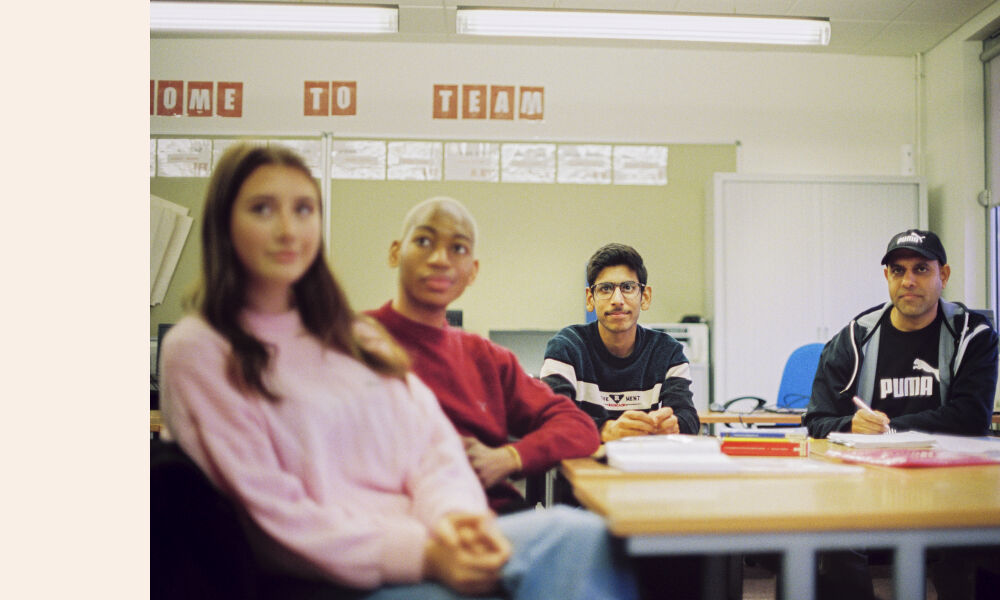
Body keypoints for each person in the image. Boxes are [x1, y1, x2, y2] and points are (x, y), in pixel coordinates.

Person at [159, 143, 636, 600]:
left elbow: (431, 451)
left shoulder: (350, 338)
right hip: (348, 571)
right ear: (224, 223)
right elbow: (271, 515)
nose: (288, 230)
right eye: (263, 208)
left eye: (303, 210)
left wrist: (459, 521)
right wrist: (429, 556)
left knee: (579, 536)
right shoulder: (201, 349)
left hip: (439, 535)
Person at [364, 197, 600, 515]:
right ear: (395, 252)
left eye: (458, 248)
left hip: (494, 519)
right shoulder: (352, 343)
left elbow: (577, 426)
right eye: (423, 241)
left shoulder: (487, 359)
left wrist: (509, 458)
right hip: (393, 523)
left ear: (472, 271)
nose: (439, 259)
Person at [805, 228, 999, 439]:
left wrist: (889, 429)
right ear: (887, 276)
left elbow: (972, 418)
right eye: (898, 271)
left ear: (943, 276)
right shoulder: (854, 338)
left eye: (921, 269)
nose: (908, 281)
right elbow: (817, 420)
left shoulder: (971, 335)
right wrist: (851, 425)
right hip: (872, 466)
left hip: (947, 466)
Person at [540, 243, 700, 441]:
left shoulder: (668, 352)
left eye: (627, 287)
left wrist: (672, 425)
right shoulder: (567, 348)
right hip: (583, 468)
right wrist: (606, 430)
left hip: (644, 468)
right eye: (605, 288)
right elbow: (550, 419)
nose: (617, 299)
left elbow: (688, 418)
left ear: (645, 297)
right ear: (590, 298)